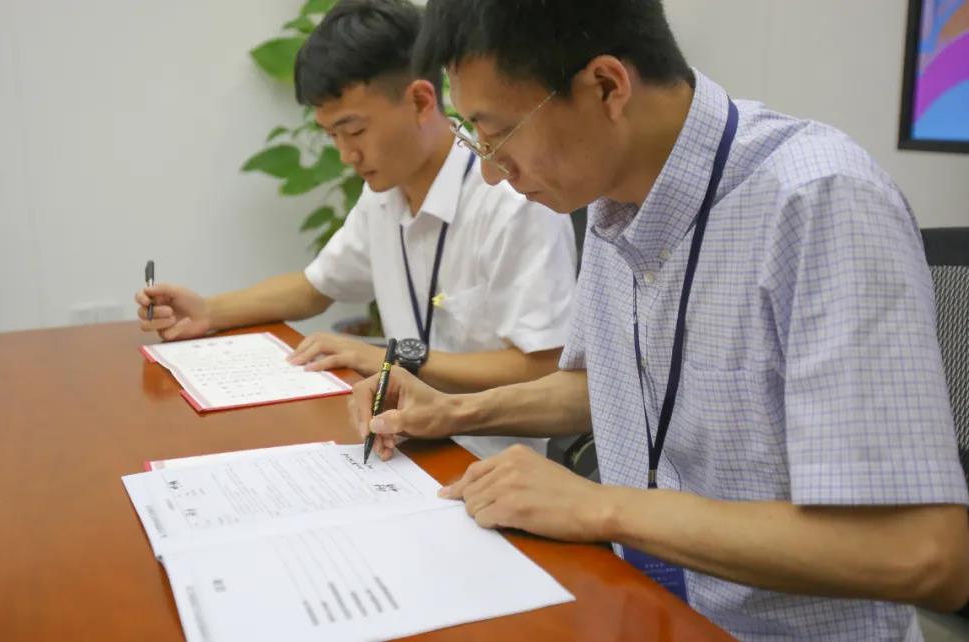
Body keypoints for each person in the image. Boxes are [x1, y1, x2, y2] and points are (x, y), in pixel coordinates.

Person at [347, 0, 969, 638]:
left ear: (606, 86)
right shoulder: (614, 195)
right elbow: (606, 385)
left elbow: (922, 553)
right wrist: (454, 412)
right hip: (637, 605)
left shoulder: (817, 202)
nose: (489, 169)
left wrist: (602, 508)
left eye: (499, 133)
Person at [135, 0, 576, 459]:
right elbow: (315, 287)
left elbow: (543, 368)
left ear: (421, 101)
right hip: (402, 446)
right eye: (332, 135)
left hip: (490, 459)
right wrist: (208, 311)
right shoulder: (384, 194)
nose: (347, 155)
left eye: (355, 130)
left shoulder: (512, 202)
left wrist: (392, 359)